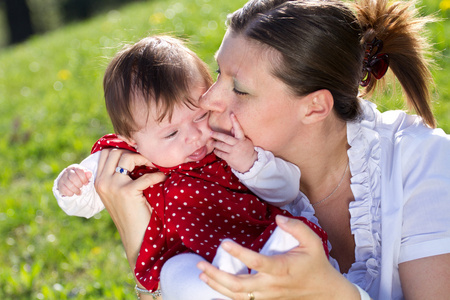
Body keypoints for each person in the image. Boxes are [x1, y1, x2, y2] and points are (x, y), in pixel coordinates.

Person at [93, 0, 450, 299]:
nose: (208, 99)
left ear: (314, 108)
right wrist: (137, 234)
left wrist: (330, 292)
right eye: (218, 72)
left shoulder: (419, 162)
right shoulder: (211, 168)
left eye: (240, 89)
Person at [53, 35, 329, 300]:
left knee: (293, 237)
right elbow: (86, 199)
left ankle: (268, 263)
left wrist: (250, 164)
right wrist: (72, 186)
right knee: (175, 274)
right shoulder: (122, 155)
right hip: (188, 253)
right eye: (171, 134)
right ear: (132, 139)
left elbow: (287, 190)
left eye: (200, 116)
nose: (194, 136)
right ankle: (216, 287)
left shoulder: (228, 141)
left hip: (255, 232)